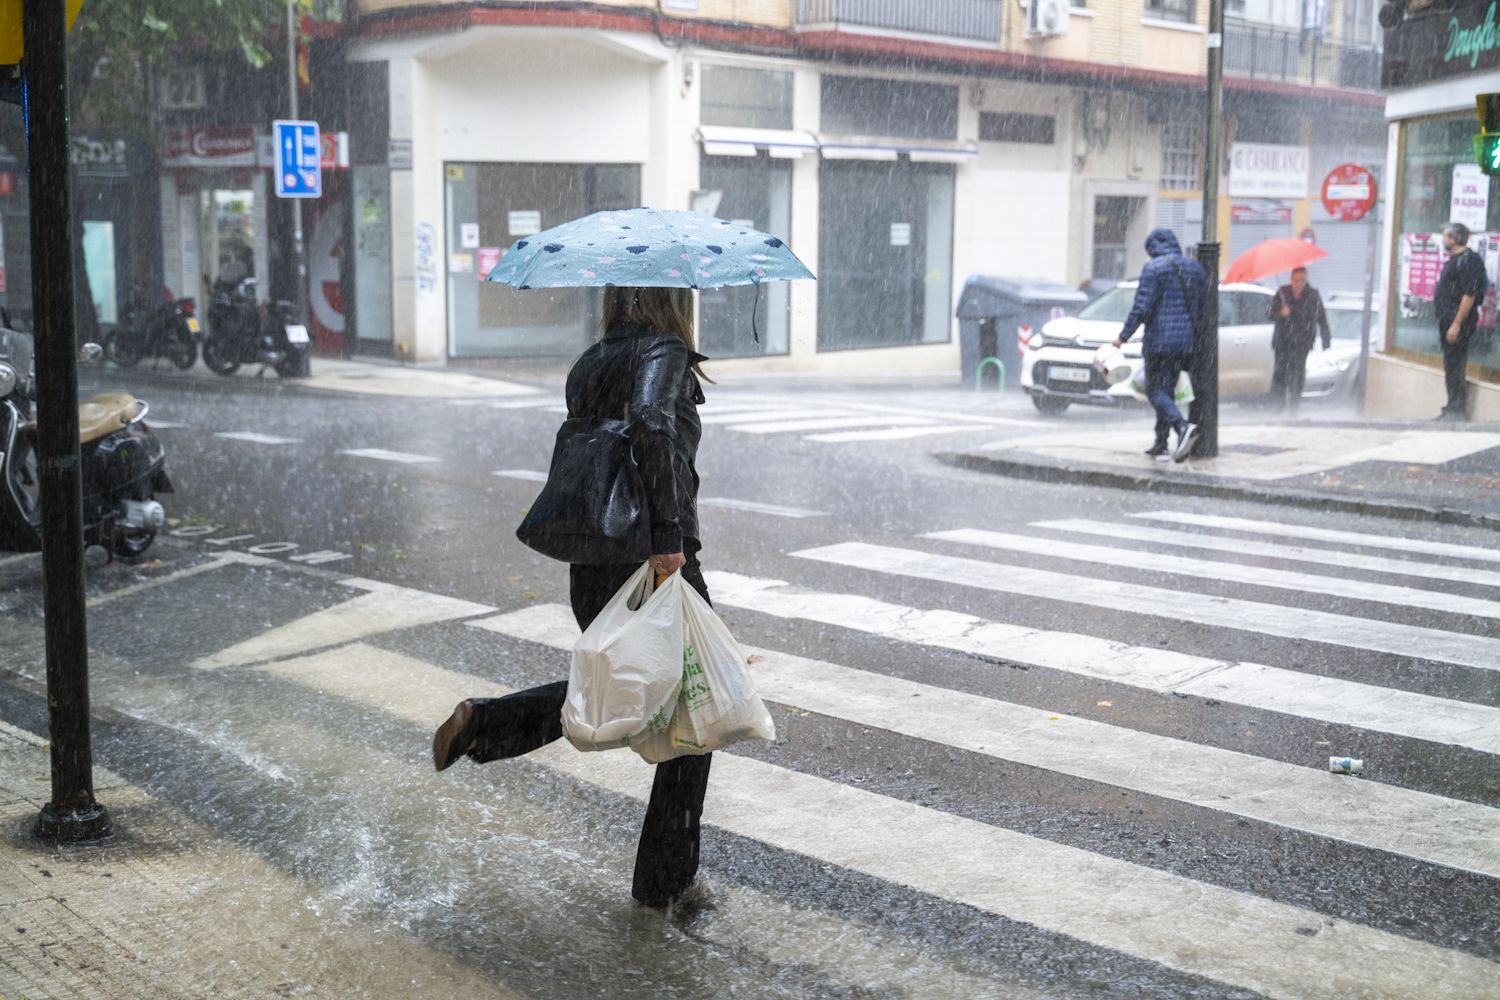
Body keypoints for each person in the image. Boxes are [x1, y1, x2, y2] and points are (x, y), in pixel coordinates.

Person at [432, 285, 712, 908]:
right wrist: (669, 538)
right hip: (651, 556)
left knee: (635, 687)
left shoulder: (592, 360)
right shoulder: (662, 350)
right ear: (674, 299)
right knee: (695, 706)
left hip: (595, 558)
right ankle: (664, 885)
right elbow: (650, 423)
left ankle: (487, 725)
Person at [1113, 228, 1207, 463]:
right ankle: (1161, 443)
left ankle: (1183, 427)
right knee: (1167, 392)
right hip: (1183, 342)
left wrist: (1122, 337)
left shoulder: (1154, 269)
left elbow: (1141, 308)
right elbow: (1200, 308)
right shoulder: (1194, 268)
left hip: (1159, 341)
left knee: (1155, 392)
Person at [1434, 221, 1488, 421]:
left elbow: (1469, 294)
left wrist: (1456, 323)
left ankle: (1458, 408)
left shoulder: (1468, 261)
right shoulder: (1455, 259)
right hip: (1447, 319)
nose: (1443, 239)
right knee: (1450, 363)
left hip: (1458, 321)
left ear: (1454, 238)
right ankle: (1451, 405)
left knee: (1456, 363)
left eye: (1446, 236)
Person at [1266, 267, 1331, 414]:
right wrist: (1280, 313)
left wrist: (1326, 341)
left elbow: (1322, 318)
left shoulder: (1313, 296)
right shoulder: (1282, 293)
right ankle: (1277, 408)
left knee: (1297, 375)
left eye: (1302, 280)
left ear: (1306, 280)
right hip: (1282, 342)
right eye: (1296, 280)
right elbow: (1268, 312)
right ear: (1291, 280)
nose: (1299, 284)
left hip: (1302, 343)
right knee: (1280, 375)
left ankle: (1294, 409)